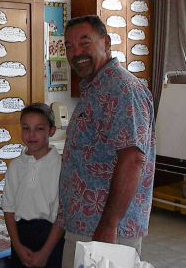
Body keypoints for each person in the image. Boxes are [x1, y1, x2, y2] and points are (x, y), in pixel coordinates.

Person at [41, 15, 156, 268]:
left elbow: (133, 159)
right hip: (84, 223)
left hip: (104, 229)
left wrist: (109, 225)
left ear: (106, 42)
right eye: (69, 46)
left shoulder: (122, 89)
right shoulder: (95, 87)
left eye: (84, 43)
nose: (76, 52)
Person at [2, 103, 65, 268]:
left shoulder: (61, 166)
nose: (31, 135)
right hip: (21, 237)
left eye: (39, 129)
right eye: (26, 128)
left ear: (51, 130)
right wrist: (17, 247)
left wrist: (45, 253)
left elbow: (62, 215)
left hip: (51, 239)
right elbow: (9, 209)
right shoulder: (16, 166)